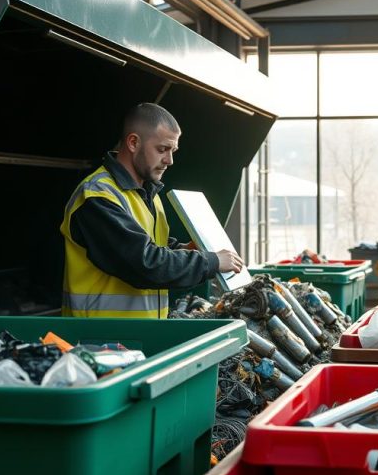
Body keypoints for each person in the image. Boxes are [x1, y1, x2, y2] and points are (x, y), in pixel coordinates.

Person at [60, 103, 243, 318]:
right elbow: (144, 263)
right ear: (133, 142)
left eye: (173, 151)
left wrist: (185, 249)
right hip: (101, 340)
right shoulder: (97, 197)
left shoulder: (148, 194)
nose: (169, 160)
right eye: (162, 149)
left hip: (140, 336)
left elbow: (152, 245)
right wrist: (210, 261)